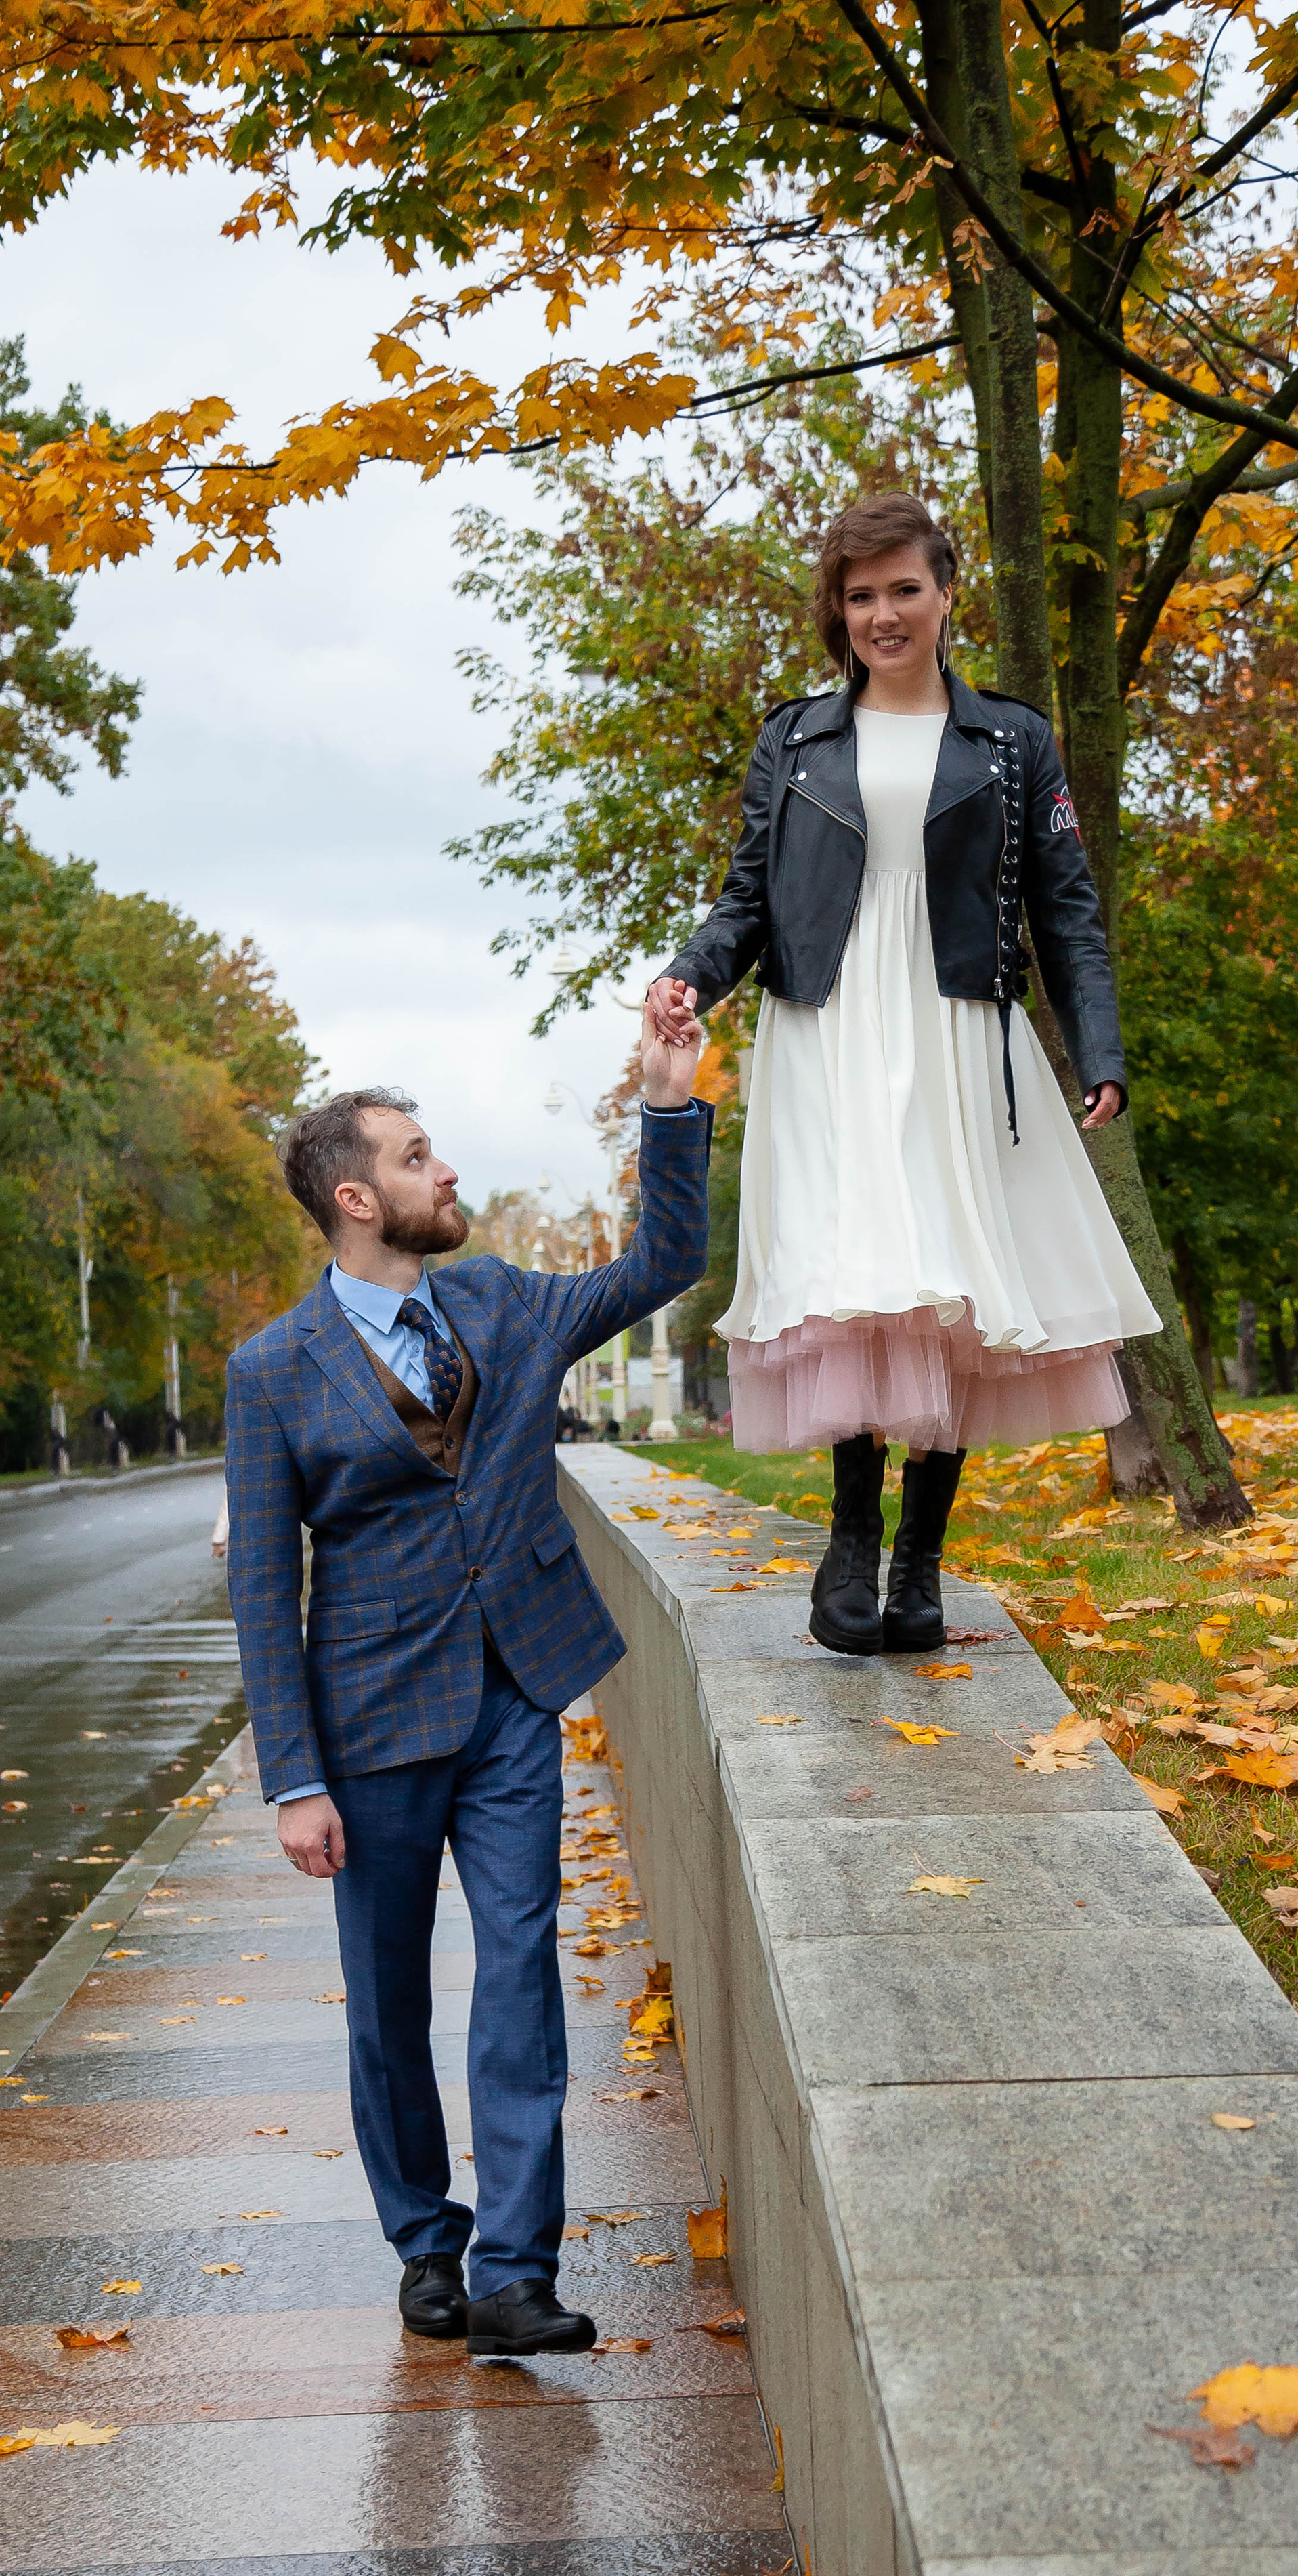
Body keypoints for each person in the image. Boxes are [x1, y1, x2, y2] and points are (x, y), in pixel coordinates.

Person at [223, 1006, 705, 2358]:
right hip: (366, 1729)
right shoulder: (269, 1372)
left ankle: (511, 2271)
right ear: (355, 1196)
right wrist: (293, 1779)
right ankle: (423, 2242)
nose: (446, 1174)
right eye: (418, 1156)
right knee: (386, 2005)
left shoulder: (498, 1298)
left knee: (518, 1975)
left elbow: (665, 1256)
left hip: (511, 1698)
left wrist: (667, 1103)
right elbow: (264, 1586)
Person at [647, 491, 1159, 1657]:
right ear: (837, 607)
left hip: (956, 1030)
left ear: (944, 595)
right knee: (856, 1275)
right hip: (824, 1033)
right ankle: (848, 1546)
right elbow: (746, 900)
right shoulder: (796, 738)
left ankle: (919, 1563)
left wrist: (1103, 1050)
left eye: (903, 590)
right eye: (860, 594)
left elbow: (1068, 913)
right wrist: (691, 977)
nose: (883, 613)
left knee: (947, 1278)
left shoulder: (1014, 741)